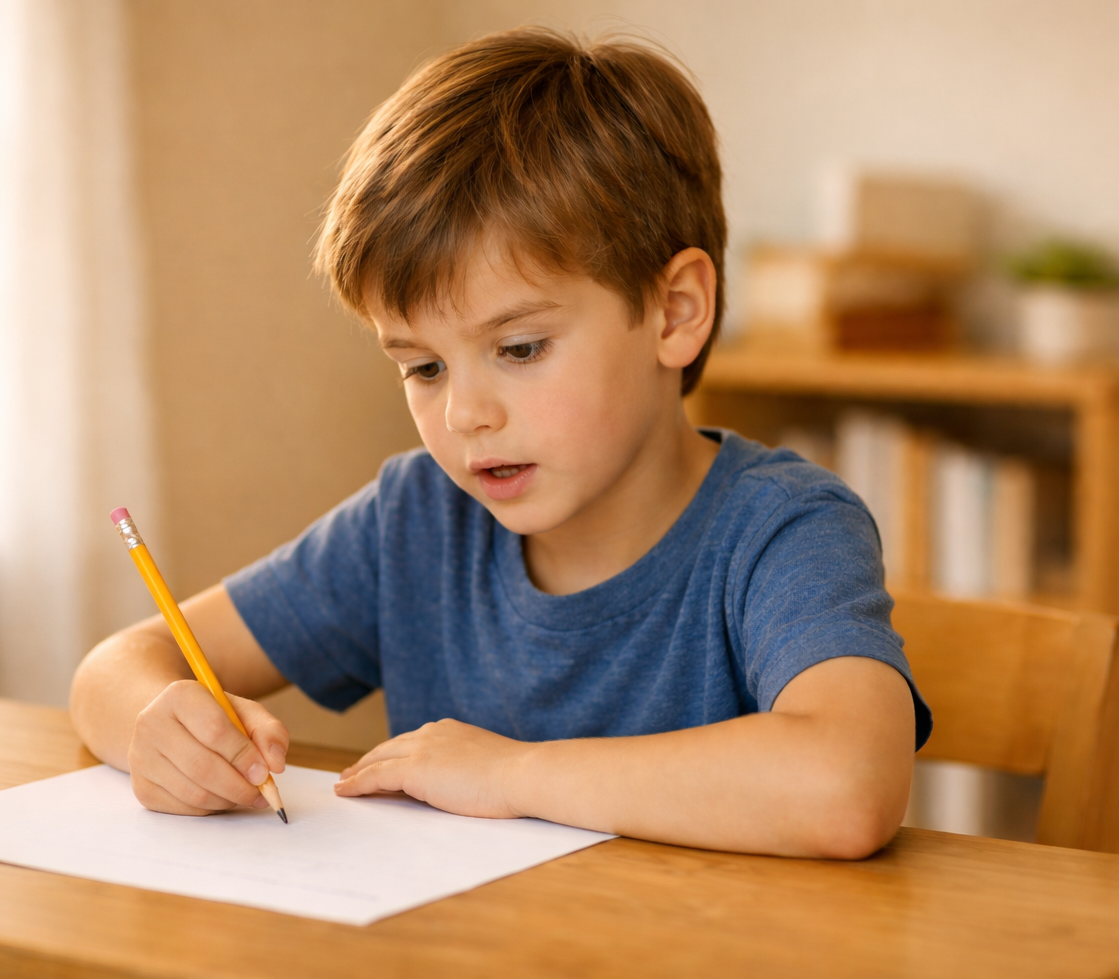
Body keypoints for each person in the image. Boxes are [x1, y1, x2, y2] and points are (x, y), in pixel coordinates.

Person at [70, 27, 931, 859]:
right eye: (423, 367)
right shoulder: (416, 521)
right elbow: (115, 667)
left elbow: (847, 784)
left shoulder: (781, 529)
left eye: (519, 350)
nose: (464, 415)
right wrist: (160, 725)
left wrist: (513, 774)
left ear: (675, 312)